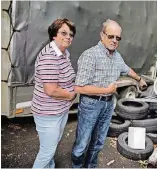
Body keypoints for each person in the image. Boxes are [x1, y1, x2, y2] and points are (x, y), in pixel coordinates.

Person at [72, 19, 147, 168]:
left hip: (107, 104)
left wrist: (139, 79)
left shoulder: (117, 56)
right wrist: (107, 90)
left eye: (118, 38)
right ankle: (77, 166)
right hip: (90, 105)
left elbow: (126, 68)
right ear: (102, 35)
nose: (114, 40)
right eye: (111, 36)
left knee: (99, 141)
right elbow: (79, 88)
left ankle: (91, 166)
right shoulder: (90, 55)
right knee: (82, 143)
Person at [31, 18, 77, 168]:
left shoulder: (64, 53)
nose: (68, 37)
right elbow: (51, 90)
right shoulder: (50, 56)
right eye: (63, 33)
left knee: (51, 147)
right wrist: (71, 95)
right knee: (47, 151)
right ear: (54, 35)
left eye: (71, 34)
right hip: (48, 113)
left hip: (60, 110)